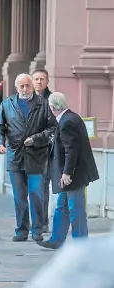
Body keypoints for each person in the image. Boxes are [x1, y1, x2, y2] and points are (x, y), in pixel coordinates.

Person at [0, 73, 57, 242]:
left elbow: (52, 128)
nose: (25, 89)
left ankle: (37, 230)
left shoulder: (43, 104)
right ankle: (21, 229)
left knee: (36, 194)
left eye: (28, 85)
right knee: (19, 197)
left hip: (37, 156)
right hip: (15, 155)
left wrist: (36, 139)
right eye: (22, 86)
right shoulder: (8, 104)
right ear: (16, 88)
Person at [37, 92, 99, 250]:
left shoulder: (67, 122)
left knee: (75, 209)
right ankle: (56, 240)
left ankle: (81, 244)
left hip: (73, 176)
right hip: (71, 174)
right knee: (62, 207)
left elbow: (71, 151)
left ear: (52, 107)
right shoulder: (71, 117)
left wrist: (67, 173)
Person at [32, 68, 53, 232]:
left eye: (42, 79)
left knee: (42, 187)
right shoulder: (26, 99)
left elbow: (54, 127)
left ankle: (42, 222)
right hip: (28, 151)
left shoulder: (52, 100)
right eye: (36, 79)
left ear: (47, 82)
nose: (39, 82)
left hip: (47, 151)